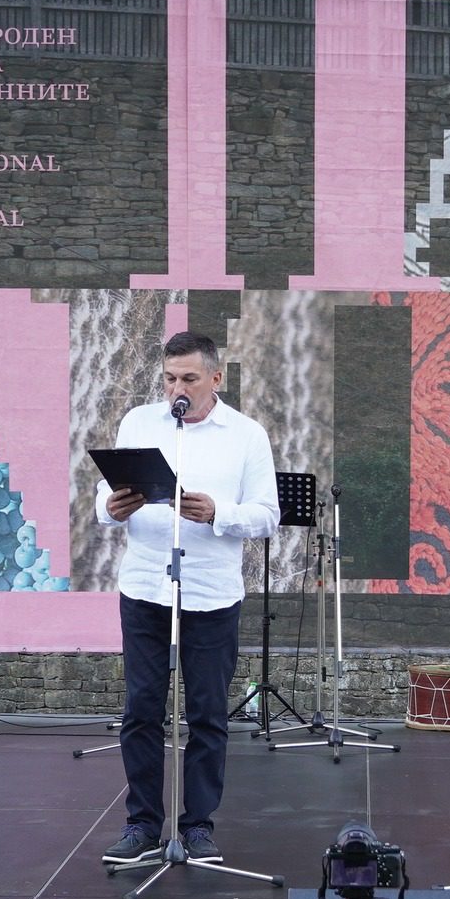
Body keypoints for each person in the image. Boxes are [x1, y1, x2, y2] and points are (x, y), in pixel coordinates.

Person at [94, 332, 279, 866]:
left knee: (207, 714)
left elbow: (268, 515)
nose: (178, 388)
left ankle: (197, 825)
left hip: (210, 593)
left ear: (216, 378)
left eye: (190, 379)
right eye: (170, 378)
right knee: (141, 710)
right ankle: (141, 823)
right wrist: (113, 507)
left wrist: (220, 513)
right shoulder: (139, 422)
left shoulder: (246, 435)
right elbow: (104, 499)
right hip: (145, 585)